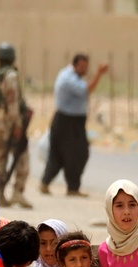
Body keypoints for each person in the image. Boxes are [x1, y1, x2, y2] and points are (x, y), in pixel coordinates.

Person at [39, 53, 109, 197]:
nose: (84, 70)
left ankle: (68, 186)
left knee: (70, 155)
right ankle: (61, 186)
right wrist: (99, 74)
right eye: (82, 67)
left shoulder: (71, 75)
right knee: (74, 154)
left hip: (73, 122)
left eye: (86, 67)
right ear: (75, 65)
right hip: (67, 122)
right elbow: (86, 90)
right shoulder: (68, 78)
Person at [0, 43, 33, 208]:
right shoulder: (10, 76)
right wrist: (17, 124)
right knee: (22, 157)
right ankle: (17, 192)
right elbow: (12, 102)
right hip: (10, 124)